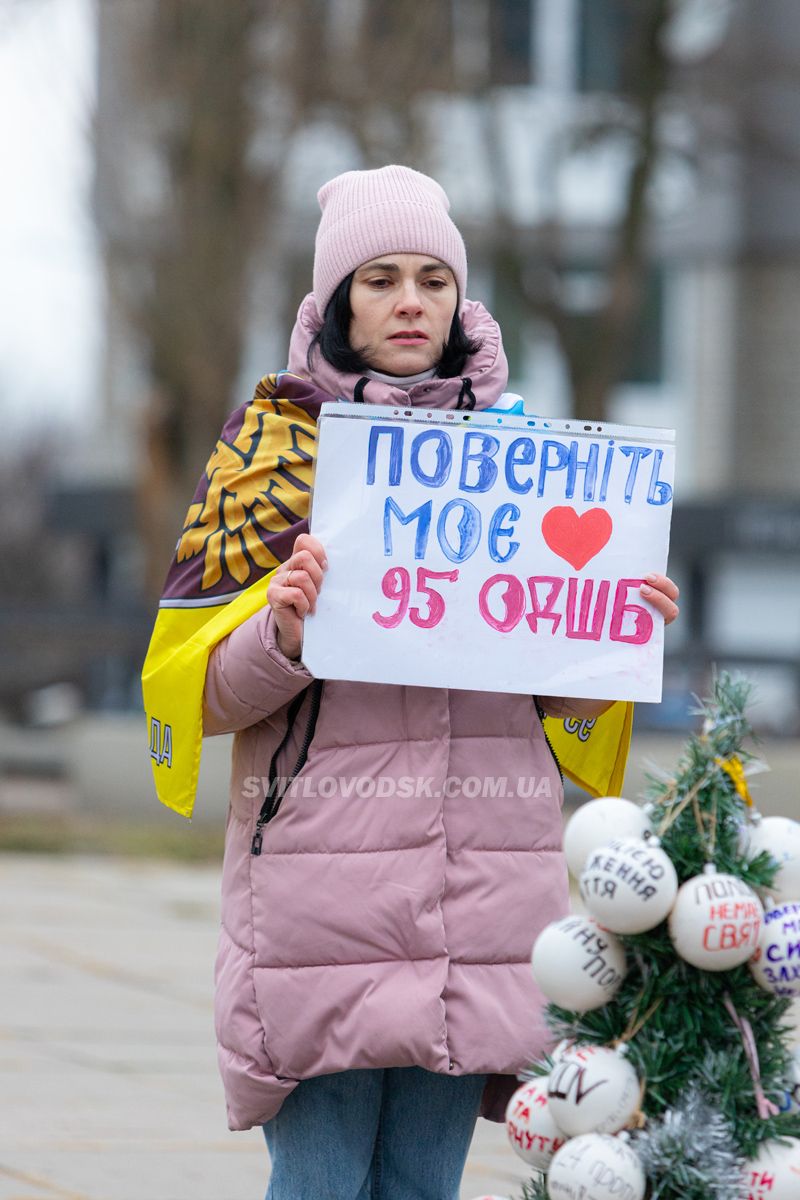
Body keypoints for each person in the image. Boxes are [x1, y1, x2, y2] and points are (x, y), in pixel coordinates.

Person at [195, 166, 680, 1199]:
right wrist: (281, 627)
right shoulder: (270, 457)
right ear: (335, 302)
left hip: (477, 907)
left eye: (431, 278)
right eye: (378, 279)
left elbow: (553, 703)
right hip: (320, 908)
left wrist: (609, 633)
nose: (409, 300)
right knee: (321, 1184)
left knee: (422, 1188)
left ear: (461, 302)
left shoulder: (525, 463)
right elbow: (197, 697)